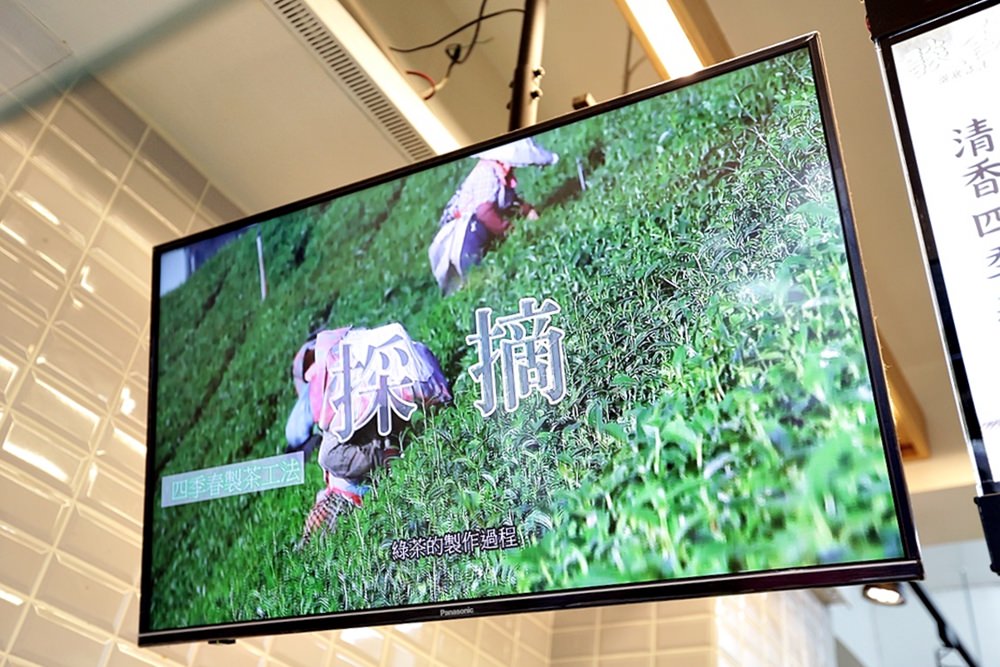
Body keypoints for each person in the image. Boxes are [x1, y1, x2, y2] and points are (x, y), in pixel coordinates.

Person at [288, 324, 452, 543]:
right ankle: (386, 450)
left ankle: (386, 454)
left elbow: (312, 427)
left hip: (398, 408)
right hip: (413, 394)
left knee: (330, 456)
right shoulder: (358, 350)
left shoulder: (327, 376)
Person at [429, 137, 558, 294]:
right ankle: (476, 285)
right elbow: (485, 212)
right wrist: (509, 230)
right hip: (464, 233)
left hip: (476, 228)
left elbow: (509, 202)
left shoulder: (500, 175)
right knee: (476, 277)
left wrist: (528, 210)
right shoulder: (487, 173)